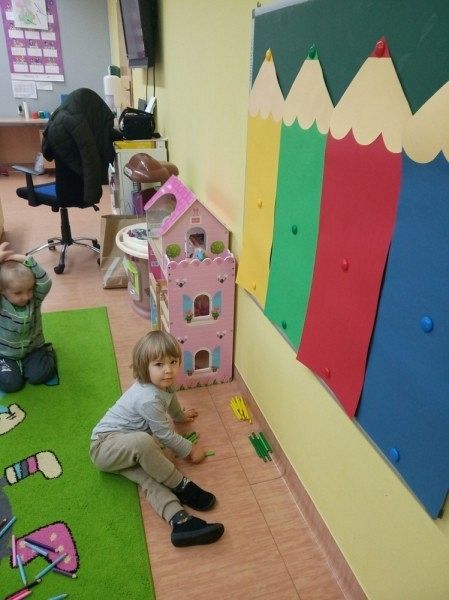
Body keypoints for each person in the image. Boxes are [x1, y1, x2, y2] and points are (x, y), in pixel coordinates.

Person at [89, 330, 225, 547]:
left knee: (150, 478)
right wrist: (190, 449)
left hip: (126, 449)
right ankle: (182, 485)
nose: (168, 370)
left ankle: (181, 522)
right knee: (145, 442)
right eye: (159, 364)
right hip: (105, 447)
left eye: (173, 362)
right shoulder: (147, 398)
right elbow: (164, 434)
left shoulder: (164, 384)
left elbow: (170, 399)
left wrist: (179, 416)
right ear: (144, 367)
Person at [0, 242, 56, 392]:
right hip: (4, 353)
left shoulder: (34, 300)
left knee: (39, 376)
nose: (26, 296)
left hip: (33, 349)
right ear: (2, 290)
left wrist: (29, 261)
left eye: (30, 289)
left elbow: (46, 283)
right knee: (11, 384)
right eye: (18, 293)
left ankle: (47, 352)